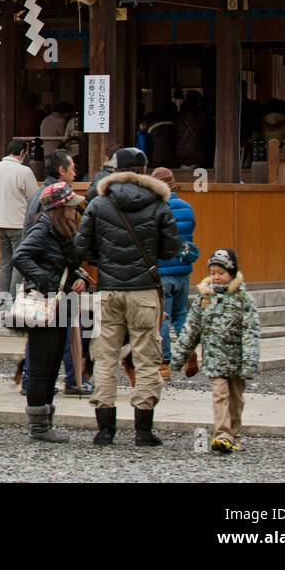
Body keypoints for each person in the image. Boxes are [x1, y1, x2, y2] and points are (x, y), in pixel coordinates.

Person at [75, 147, 181, 446]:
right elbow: (171, 248)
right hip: (144, 290)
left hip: (109, 289)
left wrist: (104, 259)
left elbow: (81, 245)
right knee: (147, 359)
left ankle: (105, 429)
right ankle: (143, 431)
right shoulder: (160, 204)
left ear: (116, 170)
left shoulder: (99, 203)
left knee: (104, 357)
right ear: (144, 170)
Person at [11, 182, 92, 442]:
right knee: (42, 367)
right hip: (46, 304)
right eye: (70, 205)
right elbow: (20, 256)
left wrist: (79, 277)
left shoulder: (60, 230)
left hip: (61, 303)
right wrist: (48, 280)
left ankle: (46, 422)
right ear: (60, 208)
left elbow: (65, 264)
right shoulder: (44, 227)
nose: (74, 209)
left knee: (53, 362)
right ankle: (38, 427)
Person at [169, 248, 260, 454]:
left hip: (237, 361)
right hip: (214, 361)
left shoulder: (243, 300)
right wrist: (178, 358)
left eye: (221, 272)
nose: (216, 277)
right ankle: (222, 434)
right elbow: (191, 330)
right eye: (213, 272)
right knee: (220, 394)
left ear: (232, 273)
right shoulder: (204, 299)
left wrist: (250, 362)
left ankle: (234, 434)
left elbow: (250, 333)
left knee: (236, 399)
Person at [151, 167, 198, 375]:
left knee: (163, 316)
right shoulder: (187, 207)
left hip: (162, 270)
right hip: (183, 269)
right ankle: (188, 352)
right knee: (181, 314)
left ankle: (164, 362)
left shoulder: (155, 209)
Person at [0, 138, 38, 304]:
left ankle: (3, 299)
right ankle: (13, 300)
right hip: (18, 223)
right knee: (19, 263)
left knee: (4, 262)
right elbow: (34, 199)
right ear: (22, 152)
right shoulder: (24, 172)